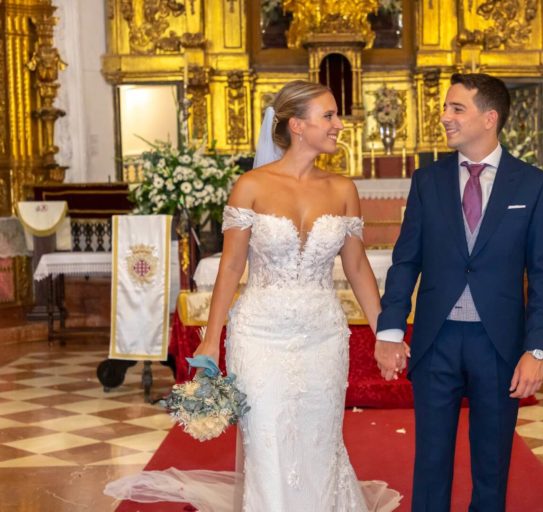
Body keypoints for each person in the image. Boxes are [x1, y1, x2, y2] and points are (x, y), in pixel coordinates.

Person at [105, 81, 401, 512]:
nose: (340, 124)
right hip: (259, 334)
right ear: (297, 125)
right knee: (266, 442)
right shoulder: (251, 186)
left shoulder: (343, 190)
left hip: (323, 335)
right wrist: (211, 339)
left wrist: (384, 334)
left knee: (319, 439)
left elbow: (356, 268)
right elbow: (230, 266)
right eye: (329, 116)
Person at [375, 73, 543, 512]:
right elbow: (406, 262)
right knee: (430, 462)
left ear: (489, 118)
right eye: (446, 107)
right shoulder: (427, 180)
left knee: (492, 466)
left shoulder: (533, 185)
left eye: (457, 108)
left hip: (498, 345)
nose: (445, 117)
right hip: (435, 342)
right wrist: (390, 331)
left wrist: (536, 349)